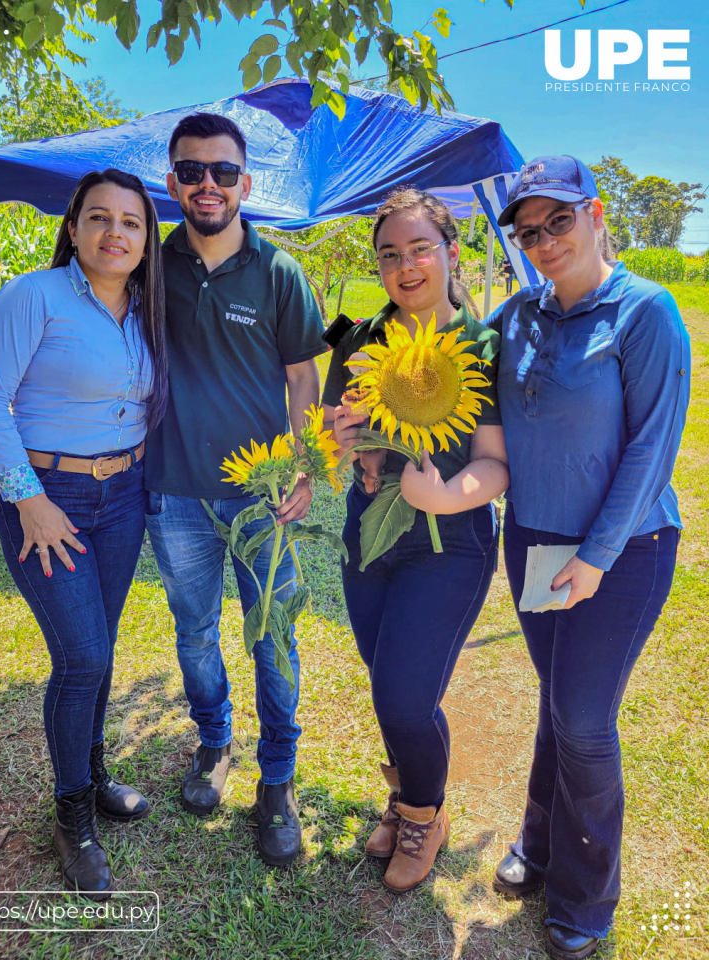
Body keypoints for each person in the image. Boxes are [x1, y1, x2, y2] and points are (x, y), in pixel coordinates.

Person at [487, 156, 690, 960]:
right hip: (533, 538)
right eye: (527, 231)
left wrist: (599, 555)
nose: (542, 241)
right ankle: (538, 848)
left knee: (582, 717)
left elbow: (652, 447)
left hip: (626, 548)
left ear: (596, 214)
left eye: (557, 222)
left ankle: (585, 894)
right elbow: (457, 380)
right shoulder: (515, 314)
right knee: (555, 702)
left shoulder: (645, 312)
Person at [0, 169, 169, 898]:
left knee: (102, 648)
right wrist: (31, 501)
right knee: (82, 656)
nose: (117, 234)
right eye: (100, 219)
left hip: (124, 494)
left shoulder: (149, 309)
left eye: (133, 223)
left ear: (147, 239)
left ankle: (94, 772)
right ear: (74, 227)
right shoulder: (33, 296)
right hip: (47, 498)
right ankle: (72, 817)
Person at [144, 113, 325, 866]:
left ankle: (277, 777)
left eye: (222, 172)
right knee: (194, 633)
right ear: (172, 182)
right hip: (173, 491)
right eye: (192, 171)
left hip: (261, 497)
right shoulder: (151, 266)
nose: (207, 184)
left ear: (246, 183)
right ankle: (213, 742)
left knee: (273, 636)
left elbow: (302, 377)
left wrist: (306, 468)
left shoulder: (280, 272)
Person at [323, 188, 510, 894]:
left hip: (450, 543)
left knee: (404, 695)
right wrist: (335, 442)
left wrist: (445, 493)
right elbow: (328, 440)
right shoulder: (360, 338)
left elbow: (494, 462)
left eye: (420, 248)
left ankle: (424, 817)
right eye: (389, 255)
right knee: (387, 684)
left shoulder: (483, 345)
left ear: (451, 252)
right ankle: (405, 800)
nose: (405, 266)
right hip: (368, 538)